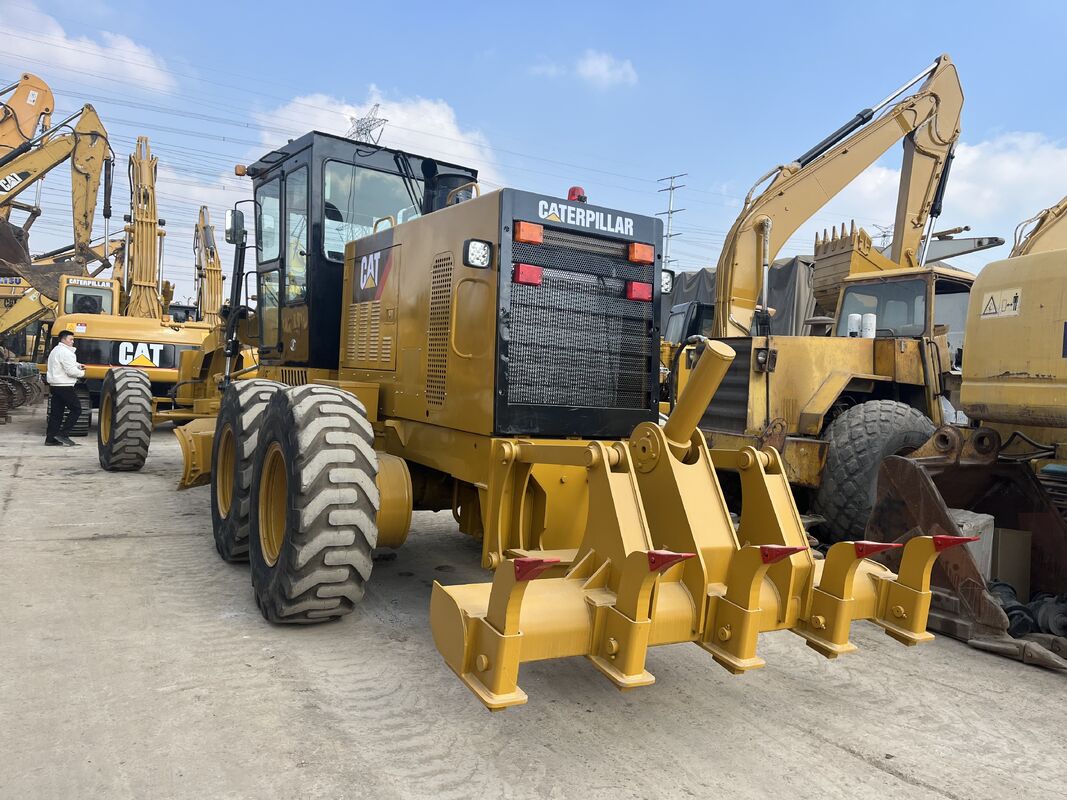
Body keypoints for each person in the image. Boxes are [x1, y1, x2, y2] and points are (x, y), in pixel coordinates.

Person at [45, 330, 85, 446]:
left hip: (55, 385)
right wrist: (83, 373)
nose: (72, 342)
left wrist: (77, 365)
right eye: (70, 339)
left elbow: (63, 364)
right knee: (77, 409)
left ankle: (50, 439)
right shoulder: (66, 352)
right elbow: (71, 371)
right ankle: (63, 434)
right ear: (63, 339)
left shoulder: (55, 350)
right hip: (64, 386)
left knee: (56, 414)